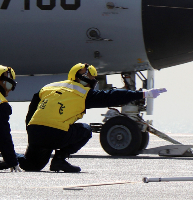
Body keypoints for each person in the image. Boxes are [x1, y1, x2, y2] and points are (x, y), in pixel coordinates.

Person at [13, 64, 165, 173]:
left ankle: (8, 159)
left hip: (35, 132)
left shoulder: (48, 88)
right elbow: (112, 96)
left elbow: (32, 111)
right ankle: (60, 159)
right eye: (92, 79)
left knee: (32, 165)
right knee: (85, 130)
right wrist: (144, 94)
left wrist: (32, 132)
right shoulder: (84, 93)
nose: (93, 82)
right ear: (85, 80)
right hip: (56, 134)